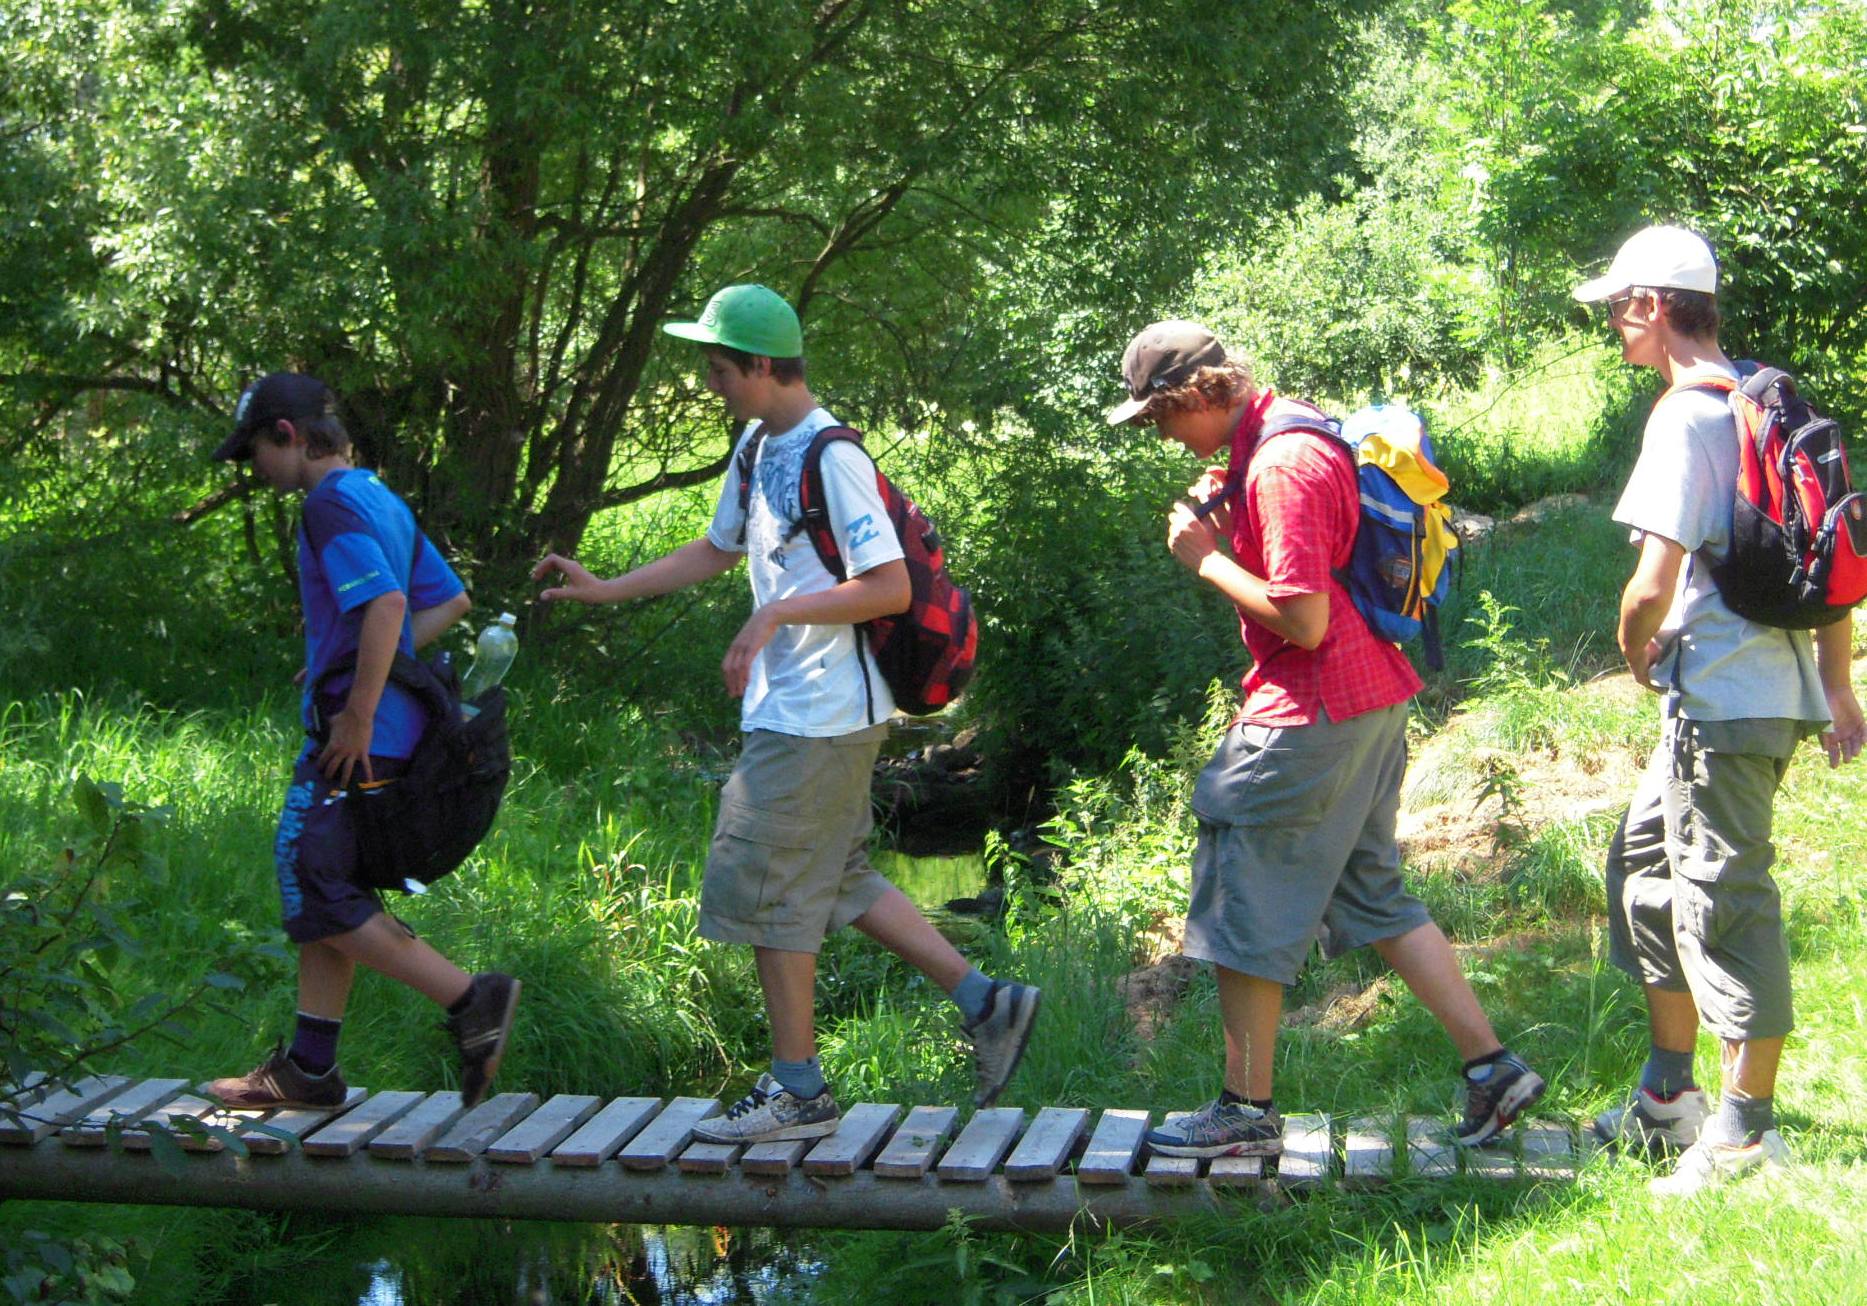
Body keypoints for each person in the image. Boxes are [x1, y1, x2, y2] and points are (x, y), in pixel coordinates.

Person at [532, 284, 1039, 1142]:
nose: (710, 384)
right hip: (794, 706)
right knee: (835, 876)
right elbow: (716, 547)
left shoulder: (831, 456)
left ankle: (798, 1090)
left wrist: (773, 615)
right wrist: (607, 588)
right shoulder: (756, 443)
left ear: (763, 366)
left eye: (719, 370)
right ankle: (988, 1002)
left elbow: (889, 586)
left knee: (769, 888)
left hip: (822, 712)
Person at [1107, 321, 1544, 1159]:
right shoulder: (1286, 432)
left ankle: (1244, 1111)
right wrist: (1226, 496)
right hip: (1368, 700)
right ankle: (1493, 1070)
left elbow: (1303, 619)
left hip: (1311, 711)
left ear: (1196, 394)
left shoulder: (1281, 465)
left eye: (1159, 416)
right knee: (1374, 896)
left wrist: (1204, 558)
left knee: (1240, 901)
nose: (1159, 435)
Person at [1573, 225, 1863, 1194]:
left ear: (1653, 306)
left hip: (1724, 703)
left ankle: (1742, 1134)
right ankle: (1670, 1096)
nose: (1613, 324)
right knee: (1644, 864)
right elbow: (1829, 557)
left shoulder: (1683, 416)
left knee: (1727, 898)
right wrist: (1834, 684)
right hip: (1754, 694)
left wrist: (1633, 650)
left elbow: (1649, 584)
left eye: (1619, 308)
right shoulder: (1758, 400)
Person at [206, 373, 521, 1111]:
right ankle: (310, 1070)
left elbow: (385, 603)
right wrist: (347, 661)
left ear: (286, 435)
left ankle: (472, 999)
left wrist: (356, 708)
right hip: (398, 735)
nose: (253, 468)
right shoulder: (378, 495)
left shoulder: (327, 504)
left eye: (254, 451)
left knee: (308, 877)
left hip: (359, 738)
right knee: (333, 886)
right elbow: (447, 600)